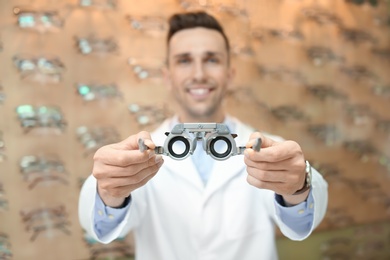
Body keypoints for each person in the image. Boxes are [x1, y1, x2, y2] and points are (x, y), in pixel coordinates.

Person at [78, 11, 328, 260]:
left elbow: (300, 226)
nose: (198, 74)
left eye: (212, 60)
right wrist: (108, 193)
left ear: (230, 74)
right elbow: (101, 228)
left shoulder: (273, 152)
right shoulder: (138, 154)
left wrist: (299, 187)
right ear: (167, 77)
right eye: (184, 60)